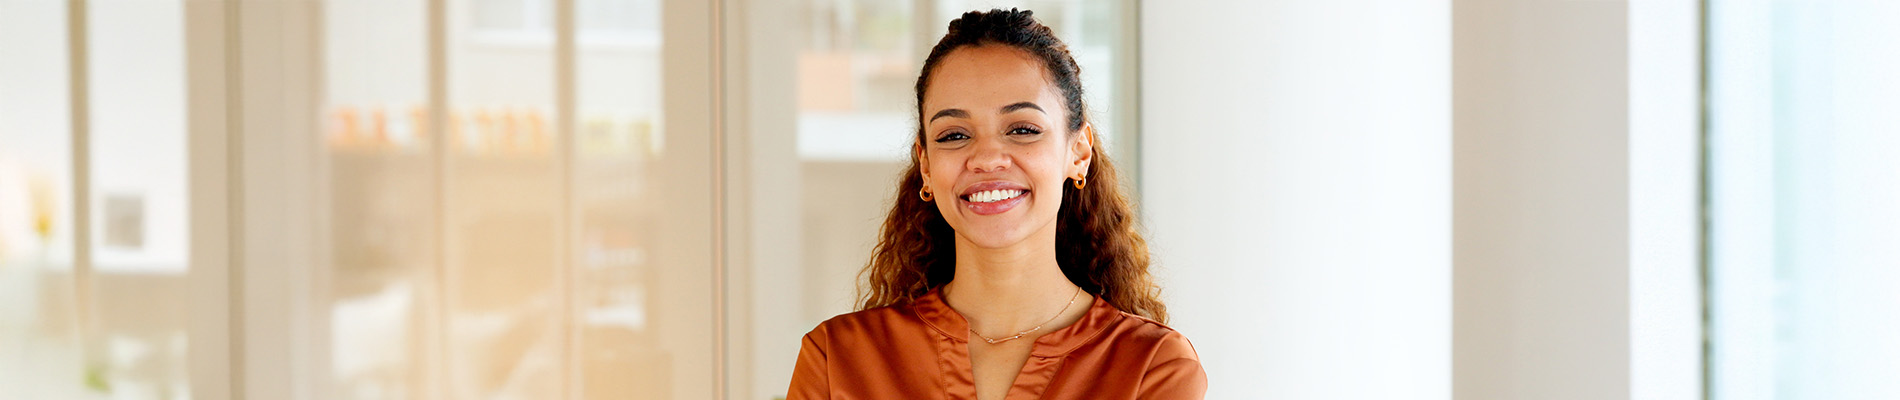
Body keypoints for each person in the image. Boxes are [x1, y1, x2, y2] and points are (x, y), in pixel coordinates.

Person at [786, 8, 1206, 400]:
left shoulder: (1152, 367)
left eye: (1022, 129)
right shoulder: (836, 360)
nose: (987, 158)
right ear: (926, 165)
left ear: (1078, 152)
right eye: (954, 135)